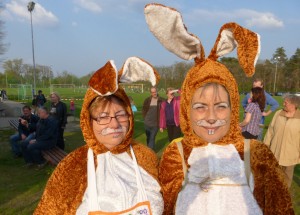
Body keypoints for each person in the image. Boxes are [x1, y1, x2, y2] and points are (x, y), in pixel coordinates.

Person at [145, 4, 294, 214]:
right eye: (200, 107)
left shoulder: (255, 154)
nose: (212, 117)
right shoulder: (176, 155)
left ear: (233, 108)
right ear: (187, 109)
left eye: (221, 106)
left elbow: (280, 209)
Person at [35, 57, 163, 214]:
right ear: (89, 122)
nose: (114, 124)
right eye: (103, 117)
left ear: (129, 116)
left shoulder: (146, 157)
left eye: (121, 115)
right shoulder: (74, 166)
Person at [264, 94, 300, 188]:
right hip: (275, 151)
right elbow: (270, 130)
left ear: (293, 104)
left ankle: (284, 193)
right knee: (273, 175)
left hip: (291, 153)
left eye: (286, 102)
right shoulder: (278, 113)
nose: (283, 104)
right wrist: (266, 144)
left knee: (287, 177)